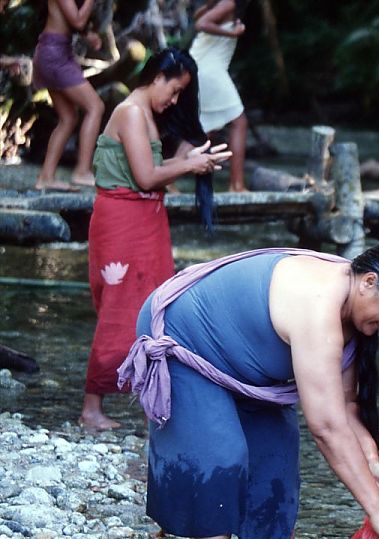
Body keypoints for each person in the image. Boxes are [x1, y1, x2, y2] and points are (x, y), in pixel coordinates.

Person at [118, 241, 379, 539]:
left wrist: (372, 463)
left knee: (278, 451)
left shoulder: (352, 313)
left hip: (246, 356)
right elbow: (326, 427)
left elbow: (345, 408)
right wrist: (378, 512)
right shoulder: (318, 305)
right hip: (186, 334)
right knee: (221, 455)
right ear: (369, 282)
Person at [80, 47, 230, 431]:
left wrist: (194, 159)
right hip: (122, 220)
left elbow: (151, 170)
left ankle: (149, 398)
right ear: (158, 77)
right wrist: (189, 165)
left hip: (145, 219)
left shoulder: (143, 113)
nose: (175, 100)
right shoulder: (130, 112)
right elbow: (146, 177)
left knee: (153, 304)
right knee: (119, 307)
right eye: (174, 90)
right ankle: (91, 407)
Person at [32, 0, 105, 190]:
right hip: (54, 54)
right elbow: (78, 20)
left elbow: (67, 20)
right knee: (95, 107)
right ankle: (82, 171)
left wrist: (88, 34)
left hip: (58, 50)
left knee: (68, 118)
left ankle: (46, 177)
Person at [188, 0, 249, 191]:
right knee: (239, 122)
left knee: (205, 130)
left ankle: (167, 178)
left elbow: (198, 17)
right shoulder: (229, 3)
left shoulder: (220, 4)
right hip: (208, 70)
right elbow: (201, 24)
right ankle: (236, 185)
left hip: (200, 67)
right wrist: (232, 33)